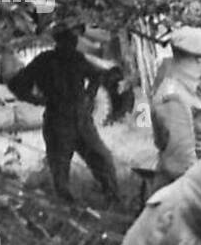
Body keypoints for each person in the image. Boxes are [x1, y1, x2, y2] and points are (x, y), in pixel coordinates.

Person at [7, 19, 122, 204]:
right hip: (58, 119)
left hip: (81, 119)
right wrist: (36, 100)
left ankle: (113, 199)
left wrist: (89, 96)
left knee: (102, 159)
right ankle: (67, 208)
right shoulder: (44, 61)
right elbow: (16, 84)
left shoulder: (77, 59)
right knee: (60, 170)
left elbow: (96, 75)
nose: (73, 42)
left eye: (74, 39)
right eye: (69, 39)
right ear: (60, 41)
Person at [150, 27, 201, 190]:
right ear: (197, 58)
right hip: (186, 190)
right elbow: (181, 162)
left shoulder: (195, 89)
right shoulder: (174, 97)